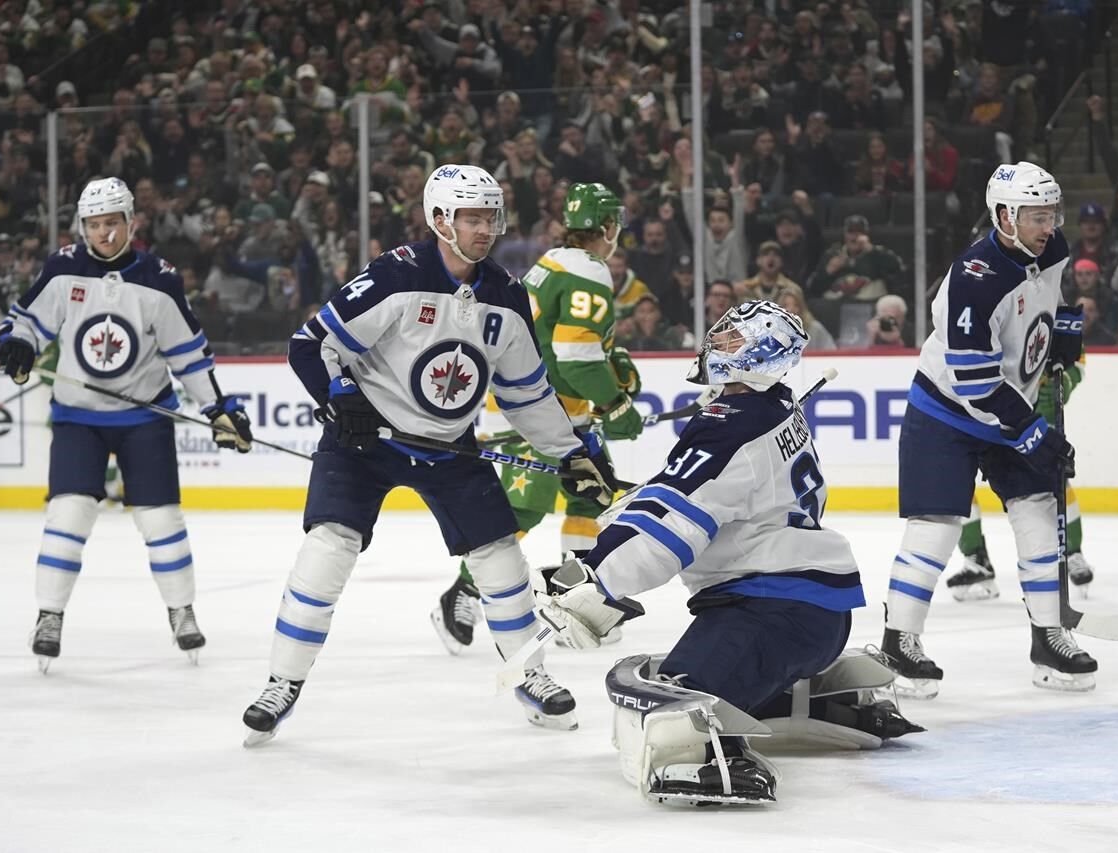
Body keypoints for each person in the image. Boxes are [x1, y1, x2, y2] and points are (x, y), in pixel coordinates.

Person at [241, 166, 617, 743]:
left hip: (448, 445)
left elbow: (527, 394)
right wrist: (343, 399)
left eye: (491, 216)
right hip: (363, 443)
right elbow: (311, 344)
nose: (485, 228)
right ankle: (281, 682)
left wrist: (569, 453)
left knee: (498, 556)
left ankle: (529, 674)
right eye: (472, 217)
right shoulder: (396, 276)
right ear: (440, 219)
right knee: (329, 547)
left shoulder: (506, 297)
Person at [535, 300, 921, 806]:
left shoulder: (730, 422)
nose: (716, 345)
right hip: (817, 616)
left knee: (675, 695)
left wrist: (598, 576)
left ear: (760, 354)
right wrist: (619, 496)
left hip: (769, 612)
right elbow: (712, 495)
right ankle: (812, 697)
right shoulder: (774, 409)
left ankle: (714, 756)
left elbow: (678, 520)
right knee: (693, 676)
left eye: (732, 341)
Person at [0, 177, 253, 673]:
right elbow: (25, 320)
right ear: (82, 226)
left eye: (112, 223)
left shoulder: (159, 278)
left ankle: (181, 611)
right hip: (76, 416)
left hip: (144, 416)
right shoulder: (63, 269)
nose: (103, 234)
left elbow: (189, 357)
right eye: (94, 225)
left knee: (161, 520)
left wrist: (218, 408)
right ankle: (49, 616)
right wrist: (18, 342)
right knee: (67, 517)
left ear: (131, 222)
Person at [880, 162, 1097, 699]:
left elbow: (1042, 303)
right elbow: (975, 382)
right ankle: (898, 641)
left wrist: (1058, 334)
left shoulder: (1051, 248)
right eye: (1035, 216)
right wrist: (1032, 433)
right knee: (937, 527)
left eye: (1051, 214)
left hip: (1010, 402)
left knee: (1038, 512)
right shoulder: (975, 279)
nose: (1048, 226)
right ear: (1004, 216)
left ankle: (1049, 635)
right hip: (947, 413)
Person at [429, 182, 644, 656]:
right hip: (536, 415)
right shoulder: (588, 271)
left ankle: (573, 600)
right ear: (606, 228)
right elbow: (575, 358)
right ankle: (461, 594)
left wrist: (610, 367)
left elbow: (563, 345)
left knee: (593, 499)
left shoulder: (552, 264)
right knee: (522, 508)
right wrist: (615, 403)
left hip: (559, 414)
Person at [946, 342, 1097, 600]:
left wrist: (1068, 378)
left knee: (1051, 478)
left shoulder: (1048, 302)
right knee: (956, 481)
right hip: (981, 407)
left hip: (1033, 405)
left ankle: (1072, 552)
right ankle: (976, 558)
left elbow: (1075, 349)